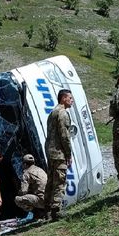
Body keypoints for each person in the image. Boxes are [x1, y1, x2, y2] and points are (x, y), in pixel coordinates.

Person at [44, 89, 73, 219]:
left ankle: (47, 209)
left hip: (50, 151)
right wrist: (68, 153)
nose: (72, 100)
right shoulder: (62, 113)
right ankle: (56, 209)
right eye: (70, 98)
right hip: (58, 152)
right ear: (63, 99)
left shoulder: (52, 112)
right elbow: (64, 136)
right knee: (60, 180)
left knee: (51, 180)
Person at [14, 154, 48, 219]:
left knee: (18, 199)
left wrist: (19, 192)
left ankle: (37, 213)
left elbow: (24, 191)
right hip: (51, 198)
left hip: (43, 201)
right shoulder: (40, 170)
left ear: (24, 164)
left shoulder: (26, 173)